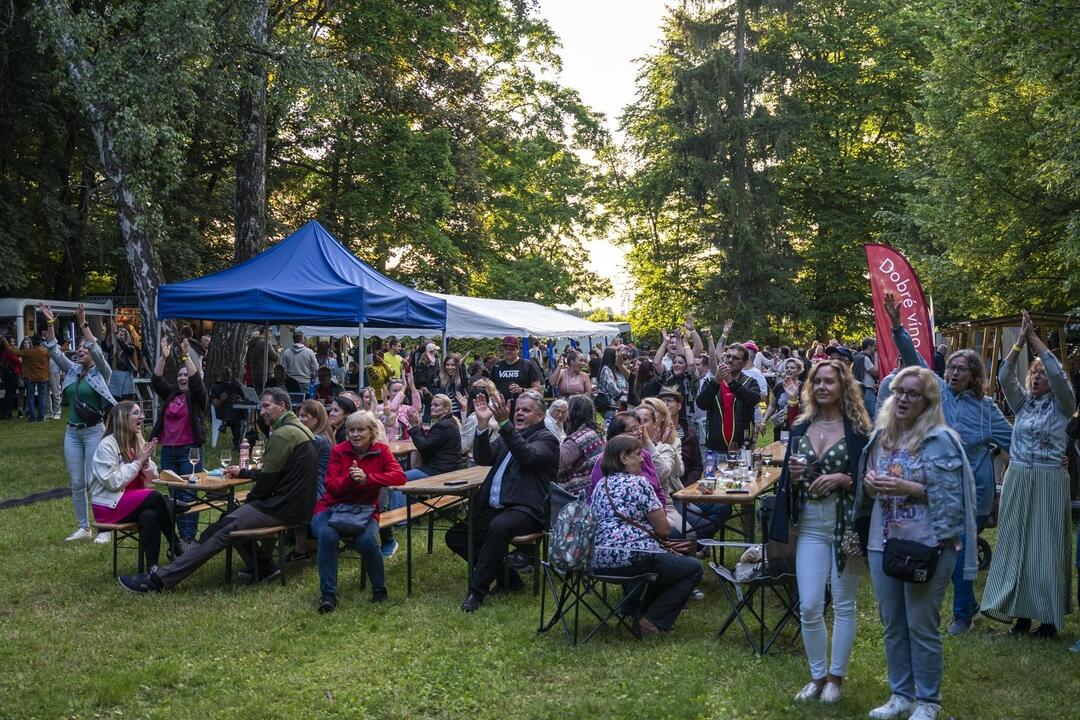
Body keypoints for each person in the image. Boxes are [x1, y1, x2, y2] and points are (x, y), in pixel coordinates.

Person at [880, 295, 1015, 635]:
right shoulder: (936, 392)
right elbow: (914, 361)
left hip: (974, 493)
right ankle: (953, 606)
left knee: (961, 550)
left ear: (974, 376)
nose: (953, 372)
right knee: (941, 547)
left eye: (961, 369)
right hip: (933, 487)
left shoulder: (987, 410)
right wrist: (897, 326)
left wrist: (1045, 456)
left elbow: (1014, 439)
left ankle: (961, 616)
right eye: (951, 367)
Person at [852, 367, 977, 720]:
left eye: (912, 393)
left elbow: (954, 497)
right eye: (898, 392)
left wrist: (910, 489)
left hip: (929, 545)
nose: (903, 398)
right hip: (883, 542)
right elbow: (866, 485)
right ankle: (900, 695)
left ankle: (928, 701)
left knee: (921, 624)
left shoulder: (941, 439)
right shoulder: (882, 436)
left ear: (928, 401)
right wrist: (871, 485)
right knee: (892, 624)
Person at [118, 387, 319, 593]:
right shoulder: (299, 430)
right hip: (298, 507)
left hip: (281, 508)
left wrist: (250, 501)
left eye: (266, 406)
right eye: (260, 407)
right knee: (232, 515)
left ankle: (159, 580)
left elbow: (268, 481)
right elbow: (277, 475)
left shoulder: (283, 434)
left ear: (282, 406)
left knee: (219, 529)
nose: (261, 412)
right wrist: (244, 476)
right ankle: (264, 567)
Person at [770, 360, 871, 704]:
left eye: (830, 381)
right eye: (818, 381)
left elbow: (869, 481)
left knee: (844, 604)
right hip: (811, 525)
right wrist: (794, 478)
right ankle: (816, 676)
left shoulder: (858, 431)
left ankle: (835, 679)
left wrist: (845, 479)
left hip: (846, 527)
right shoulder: (800, 427)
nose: (823, 386)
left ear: (844, 387)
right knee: (810, 604)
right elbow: (790, 482)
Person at [981, 311, 1076, 639]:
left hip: (1050, 479)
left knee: (1046, 547)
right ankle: (1020, 615)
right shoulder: (1022, 405)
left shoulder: (1063, 405)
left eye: (1042, 374)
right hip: (1019, 477)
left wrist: (1035, 338)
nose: (1036, 377)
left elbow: (1059, 375)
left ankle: (1047, 619)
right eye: (1034, 373)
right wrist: (1019, 342)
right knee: (1017, 545)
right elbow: (1005, 374)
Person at [447, 390, 557, 611]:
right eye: (518, 410)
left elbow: (527, 456)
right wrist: (481, 425)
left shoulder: (547, 439)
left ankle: (476, 592)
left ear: (539, 416)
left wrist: (505, 425)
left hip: (527, 510)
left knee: (498, 527)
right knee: (457, 537)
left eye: (526, 410)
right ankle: (509, 578)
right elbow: (483, 458)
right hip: (496, 506)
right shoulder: (510, 435)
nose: (519, 414)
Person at [590, 434, 703, 635]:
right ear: (623, 458)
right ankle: (651, 621)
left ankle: (641, 613)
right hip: (633, 557)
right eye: (637, 454)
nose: (643, 458)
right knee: (692, 568)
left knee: (665, 564)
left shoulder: (601, 485)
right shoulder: (640, 484)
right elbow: (663, 530)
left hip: (599, 560)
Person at [311, 410, 406, 612]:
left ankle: (379, 590)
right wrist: (351, 479)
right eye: (351, 430)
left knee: (366, 541)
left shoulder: (381, 451)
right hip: (330, 506)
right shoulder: (339, 451)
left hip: (365, 509)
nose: (355, 434)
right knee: (328, 535)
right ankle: (328, 595)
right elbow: (331, 486)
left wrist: (368, 479)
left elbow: (399, 477)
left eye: (360, 430)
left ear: (371, 431)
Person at [40, 303, 116, 542]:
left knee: (95, 480)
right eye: (79, 348)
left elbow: (95, 346)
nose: (80, 350)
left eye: (84, 348)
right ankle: (84, 528)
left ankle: (104, 529)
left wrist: (83, 324)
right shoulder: (72, 370)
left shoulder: (102, 372)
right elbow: (53, 349)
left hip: (93, 431)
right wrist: (51, 323)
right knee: (77, 482)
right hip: (72, 433)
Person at [90, 401, 175, 569]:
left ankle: (152, 569)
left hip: (133, 502)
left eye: (141, 413)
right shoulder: (106, 445)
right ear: (123, 418)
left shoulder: (137, 441)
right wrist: (138, 462)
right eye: (136, 413)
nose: (142, 417)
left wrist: (145, 464)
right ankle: (176, 544)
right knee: (156, 497)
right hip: (109, 506)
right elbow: (114, 483)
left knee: (150, 515)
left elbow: (153, 478)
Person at [149, 337, 208, 549]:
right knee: (174, 495)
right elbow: (155, 380)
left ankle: (187, 539)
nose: (183, 378)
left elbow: (196, 382)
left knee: (188, 493)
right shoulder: (172, 394)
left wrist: (185, 356)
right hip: (169, 452)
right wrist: (164, 358)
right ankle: (180, 539)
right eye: (180, 375)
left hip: (190, 452)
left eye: (186, 375)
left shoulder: (198, 396)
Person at [697, 343, 760, 455]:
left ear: (744, 362)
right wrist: (716, 382)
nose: (730, 360)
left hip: (742, 449)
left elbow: (752, 399)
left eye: (735, 358)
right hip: (715, 449)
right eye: (728, 356)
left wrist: (731, 382)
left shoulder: (750, 382)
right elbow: (702, 404)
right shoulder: (711, 382)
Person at [291, 399, 335, 561]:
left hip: (316, 491)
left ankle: (299, 549)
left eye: (304, 416)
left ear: (315, 420)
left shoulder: (317, 440)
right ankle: (299, 548)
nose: (300, 419)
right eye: (299, 415)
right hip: (317, 487)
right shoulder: (321, 436)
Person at [558, 395, 605, 496]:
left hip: (580, 495)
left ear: (573, 413)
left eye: (566, 411)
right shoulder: (594, 432)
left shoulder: (581, 438)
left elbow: (558, 460)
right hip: (594, 489)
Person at [1, 335, 50, 421]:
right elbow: (58, 352)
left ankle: (32, 417)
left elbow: (11, 351)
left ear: (32, 342)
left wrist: (4, 340)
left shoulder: (28, 352)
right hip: (42, 377)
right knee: (42, 396)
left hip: (30, 377)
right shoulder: (45, 351)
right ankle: (41, 417)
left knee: (30, 396)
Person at [490, 336, 541, 412]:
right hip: (502, 408)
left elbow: (538, 389)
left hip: (522, 408)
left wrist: (522, 390)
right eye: (506, 349)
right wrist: (495, 395)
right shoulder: (497, 366)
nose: (508, 351)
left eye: (512, 349)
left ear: (517, 350)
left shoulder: (527, 365)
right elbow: (490, 388)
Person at [762, 358, 804, 442]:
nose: (789, 370)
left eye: (792, 368)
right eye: (787, 368)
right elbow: (773, 406)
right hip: (780, 426)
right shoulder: (779, 387)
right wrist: (763, 421)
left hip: (798, 426)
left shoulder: (804, 387)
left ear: (799, 370)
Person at [103, 320, 141, 400]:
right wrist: (105, 332)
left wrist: (116, 332)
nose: (119, 336)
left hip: (126, 375)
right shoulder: (113, 348)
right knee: (114, 399)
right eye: (119, 334)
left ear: (126, 336)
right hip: (114, 375)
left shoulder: (131, 347)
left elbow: (124, 347)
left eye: (122, 335)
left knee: (126, 399)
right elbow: (104, 347)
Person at [597, 346, 630, 422]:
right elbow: (612, 388)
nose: (616, 359)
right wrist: (624, 392)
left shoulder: (608, 369)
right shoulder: (606, 370)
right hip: (609, 405)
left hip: (612, 404)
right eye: (615, 356)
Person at [281, 331, 318, 395]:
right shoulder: (309, 352)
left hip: (291, 381)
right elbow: (315, 368)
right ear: (303, 339)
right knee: (304, 402)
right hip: (305, 382)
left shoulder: (287, 352)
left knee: (292, 401)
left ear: (293, 339)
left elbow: (283, 369)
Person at [246, 326, 279, 392]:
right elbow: (276, 358)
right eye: (270, 331)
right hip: (267, 375)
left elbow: (247, 359)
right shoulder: (266, 342)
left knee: (258, 395)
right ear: (265, 331)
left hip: (255, 374)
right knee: (268, 394)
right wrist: (277, 350)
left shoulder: (251, 343)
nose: (271, 334)